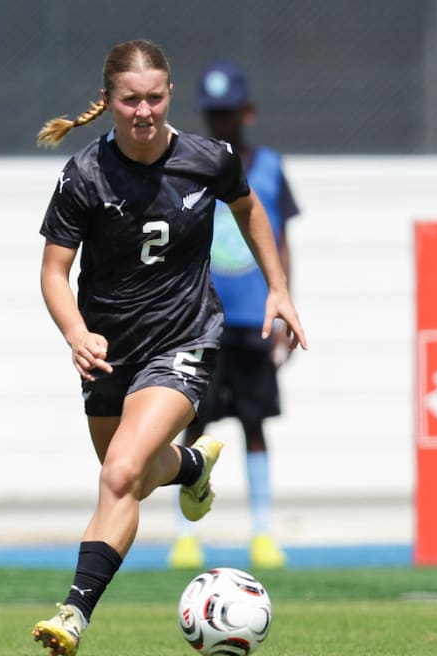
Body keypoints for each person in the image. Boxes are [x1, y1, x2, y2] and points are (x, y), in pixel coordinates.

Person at [31, 39, 307, 656]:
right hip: (108, 348)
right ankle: (191, 466)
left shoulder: (208, 159)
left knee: (121, 473)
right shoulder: (84, 174)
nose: (144, 111)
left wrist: (279, 288)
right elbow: (54, 272)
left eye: (155, 97)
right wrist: (76, 331)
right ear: (110, 101)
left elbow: (249, 208)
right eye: (130, 100)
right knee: (129, 474)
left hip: (184, 339)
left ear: (169, 96)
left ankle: (74, 614)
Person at [168, 59, 301, 572]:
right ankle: (185, 535)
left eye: (229, 113)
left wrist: (284, 304)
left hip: (254, 321)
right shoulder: (191, 164)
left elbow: (282, 241)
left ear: (247, 112)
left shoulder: (267, 166)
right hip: (200, 318)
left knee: (255, 422)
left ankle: (262, 531)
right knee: (190, 420)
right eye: (213, 114)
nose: (222, 123)